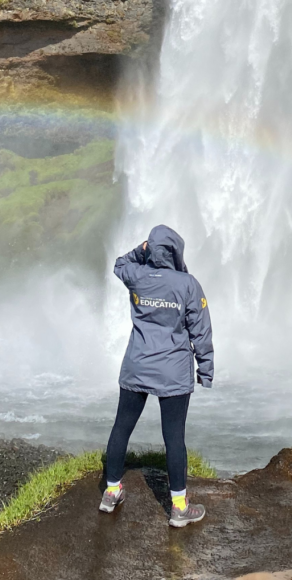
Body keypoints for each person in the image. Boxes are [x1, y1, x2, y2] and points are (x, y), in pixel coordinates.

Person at [100, 225, 214, 528]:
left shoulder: (137, 276)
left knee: (122, 427)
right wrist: (206, 368)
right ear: (177, 252)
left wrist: (141, 249)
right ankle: (178, 508)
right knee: (174, 438)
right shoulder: (188, 284)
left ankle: (111, 492)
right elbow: (200, 331)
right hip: (173, 370)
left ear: (151, 248)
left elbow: (119, 264)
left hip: (138, 364)